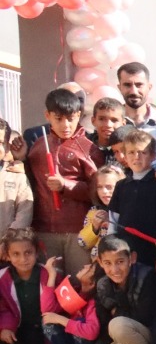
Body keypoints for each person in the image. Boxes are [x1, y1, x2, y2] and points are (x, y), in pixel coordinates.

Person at [26, 87, 98, 273]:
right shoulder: (38, 146)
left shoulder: (88, 148)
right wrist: (20, 158)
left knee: (79, 281)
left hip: (78, 231)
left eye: (71, 118)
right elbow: (29, 184)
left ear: (79, 115)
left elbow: (98, 191)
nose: (65, 125)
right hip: (44, 229)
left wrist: (66, 185)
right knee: (50, 282)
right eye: (59, 119)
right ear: (47, 115)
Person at [77, 234, 156, 344]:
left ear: (132, 258)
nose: (114, 269)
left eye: (120, 262)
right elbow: (104, 329)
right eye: (107, 263)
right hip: (122, 339)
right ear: (100, 262)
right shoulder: (103, 285)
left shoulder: (147, 277)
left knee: (118, 324)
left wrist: (117, 310)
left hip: (149, 337)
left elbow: (145, 317)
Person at [0, 229, 74, 344]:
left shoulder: (48, 274)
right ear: (7, 255)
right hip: (15, 331)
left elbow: (51, 309)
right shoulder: (2, 278)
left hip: (41, 333)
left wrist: (51, 280)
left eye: (28, 253)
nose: (23, 259)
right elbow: (3, 308)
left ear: (36, 252)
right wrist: (5, 327)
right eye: (16, 254)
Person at [106, 130, 156, 268]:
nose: (137, 157)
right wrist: (110, 245)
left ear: (153, 156)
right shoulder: (121, 186)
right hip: (124, 251)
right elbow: (113, 220)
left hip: (152, 250)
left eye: (143, 152)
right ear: (125, 155)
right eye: (131, 152)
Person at [116, 62, 156, 162]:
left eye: (139, 85)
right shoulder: (113, 122)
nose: (133, 91)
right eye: (127, 85)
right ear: (119, 88)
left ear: (149, 87)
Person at [0, 129, 31, 234]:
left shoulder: (17, 176)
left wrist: (9, 240)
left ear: (7, 146)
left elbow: (25, 212)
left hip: (8, 246)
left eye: (0, 142)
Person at [86, 97, 126, 166]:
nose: (108, 125)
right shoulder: (83, 145)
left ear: (123, 123)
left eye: (114, 120)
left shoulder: (129, 150)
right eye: (102, 119)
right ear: (93, 121)